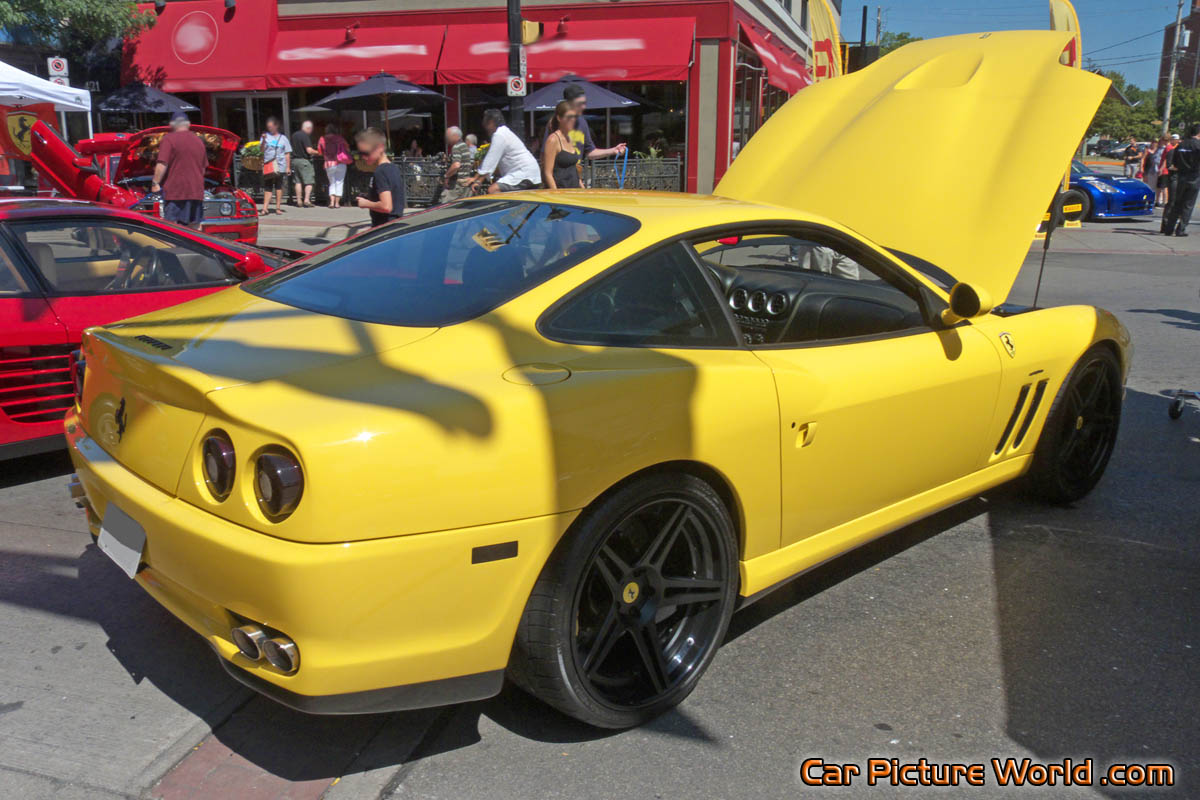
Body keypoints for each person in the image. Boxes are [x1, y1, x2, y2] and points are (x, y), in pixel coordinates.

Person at [151, 112, 207, 230]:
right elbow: (203, 168)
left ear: (172, 124)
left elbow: (162, 163)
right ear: (188, 124)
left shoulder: (169, 139)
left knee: (172, 228)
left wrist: (155, 183)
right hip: (196, 192)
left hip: (176, 192)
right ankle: (196, 248)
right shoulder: (199, 141)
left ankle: (174, 249)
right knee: (195, 226)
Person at [468, 109, 542, 194]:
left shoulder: (499, 135)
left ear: (491, 122)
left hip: (523, 174)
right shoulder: (505, 132)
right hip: (531, 173)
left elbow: (491, 159)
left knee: (493, 190)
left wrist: (477, 180)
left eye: (485, 122)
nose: (484, 126)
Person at [562, 84, 627, 160]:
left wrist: (613, 150)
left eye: (584, 103)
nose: (583, 107)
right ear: (569, 103)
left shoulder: (582, 122)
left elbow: (590, 152)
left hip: (576, 171)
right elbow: (546, 155)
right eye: (579, 103)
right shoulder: (556, 122)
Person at [355, 127, 404, 226]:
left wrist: (365, 203)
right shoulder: (393, 168)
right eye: (361, 153)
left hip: (383, 226)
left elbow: (386, 206)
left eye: (366, 153)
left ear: (380, 148)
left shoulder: (380, 171)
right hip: (394, 225)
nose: (364, 157)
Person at [1161, 123, 1200, 237]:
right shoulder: (1198, 145)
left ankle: (1169, 229)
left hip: (1181, 176)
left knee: (1177, 203)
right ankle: (1181, 229)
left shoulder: (1181, 145)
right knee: (1188, 205)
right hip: (1194, 177)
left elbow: (1175, 162)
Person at [541, 101, 581, 190]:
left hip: (574, 191)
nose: (573, 120)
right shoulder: (553, 140)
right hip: (560, 193)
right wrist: (557, 195)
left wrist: (582, 188)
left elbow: (572, 169)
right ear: (559, 118)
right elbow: (548, 173)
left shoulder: (570, 138)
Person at [260, 116, 291, 215]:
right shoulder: (265, 136)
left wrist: (288, 167)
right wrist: (264, 140)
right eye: (268, 127)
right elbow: (261, 150)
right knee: (268, 186)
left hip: (280, 165)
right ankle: (265, 208)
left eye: (271, 126)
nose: (270, 129)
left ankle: (278, 208)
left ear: (276, 126)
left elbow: (287, 153)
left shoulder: (283, 138)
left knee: (278, 186)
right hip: (269, 164)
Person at [318, 122, 351, 209]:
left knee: (331, 183)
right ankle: (337, 203)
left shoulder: (322, 139)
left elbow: (320, 151)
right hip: (340, 162)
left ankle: (331, 202)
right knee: (339, 182)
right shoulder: (340, 138)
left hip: (329, 163)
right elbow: (347, 148)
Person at [290, 120, 319, 207]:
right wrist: (318, 152)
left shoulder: (294, 135)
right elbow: (309, 150)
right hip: (304, 161)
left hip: (294, 160)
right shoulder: (305, 136)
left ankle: (299, 200)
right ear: (308, 128)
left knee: (297, 181)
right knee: (309, 181)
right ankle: (306, 200)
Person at [442, 126, 473, 202]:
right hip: (465, 184)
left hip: (457, 185)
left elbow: (456, 165)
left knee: (445, 205)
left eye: (448, 136)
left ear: (455, 136)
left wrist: (446, 176)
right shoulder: (464, 146)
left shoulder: (456, 147)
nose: (446, 138)